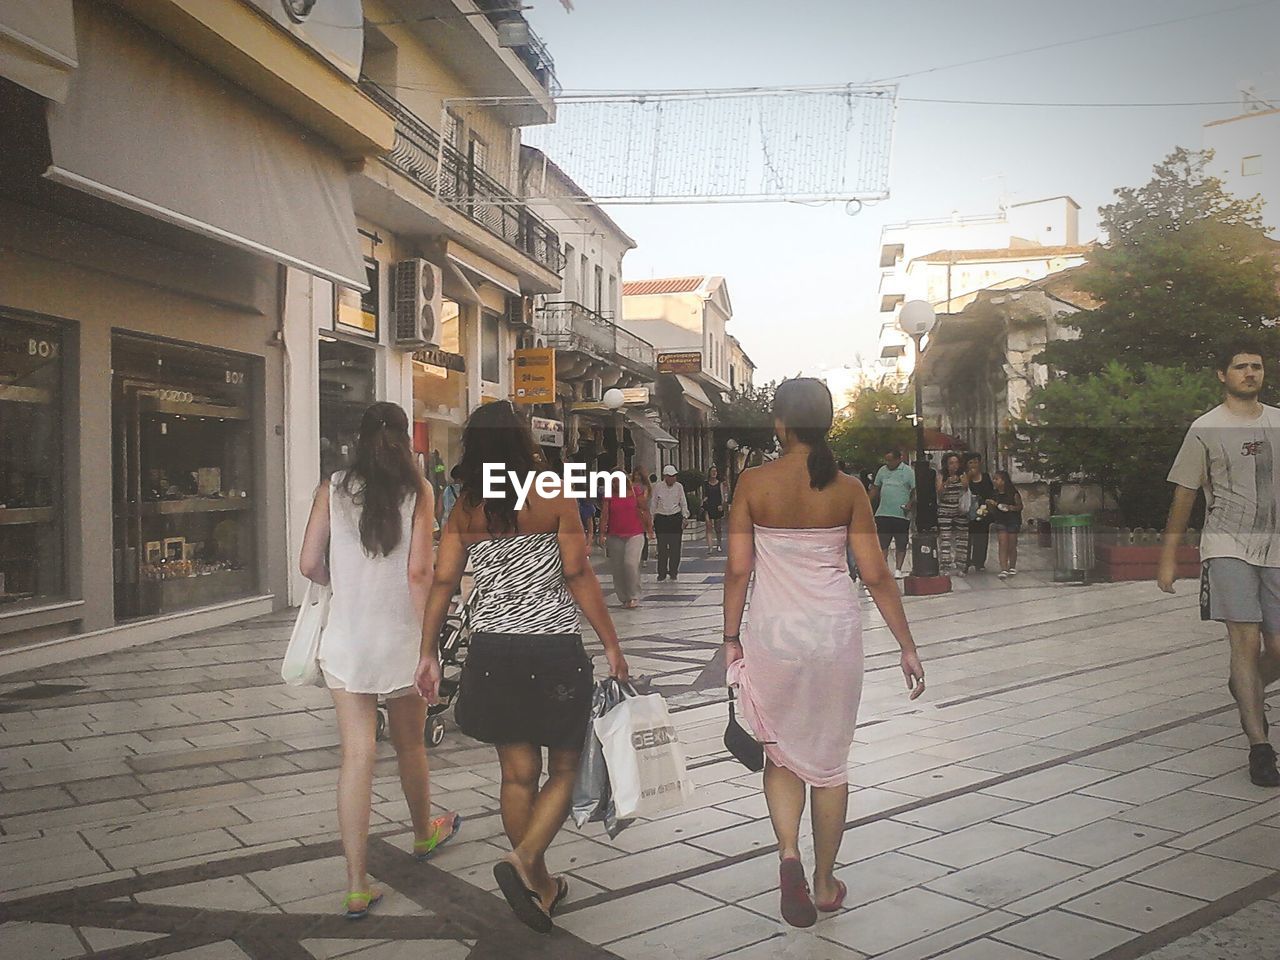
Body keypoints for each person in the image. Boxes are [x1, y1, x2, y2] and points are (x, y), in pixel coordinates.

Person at [414, 401, 629, 931]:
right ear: (522, 441)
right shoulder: (552, 492)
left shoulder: (465, 506)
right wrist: (613, 645)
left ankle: (539, 884)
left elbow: (443, 583)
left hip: (493, 652)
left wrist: (428, 652)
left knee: (516, 775)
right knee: (563, 768)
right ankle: (525, 862)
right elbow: (578, 575)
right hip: (553, 649)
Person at [723, 378, 925, 928]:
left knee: (780, 752)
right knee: (830, 765)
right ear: (827, 423)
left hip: (774, 633)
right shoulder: (850, 488)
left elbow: (740, 568)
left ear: (779, 425)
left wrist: (730, 637)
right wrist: (907, 646)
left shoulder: (753, 482)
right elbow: (877, 573)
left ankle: (788, 853)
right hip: (834, 633)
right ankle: (824, 880)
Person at [298, 402, 460, 919]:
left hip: (346, 641)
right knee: (411, 744)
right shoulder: (420, 492)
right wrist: (429, 647)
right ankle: (421, 832)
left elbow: (307, 563)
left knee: (357, 756)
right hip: (400, 640)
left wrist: (342, 584)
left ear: (359, 439)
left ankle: (354, 883)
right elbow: (419, 575)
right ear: (407, 439)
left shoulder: (334, 487)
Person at [1159, 337, 1280, 787]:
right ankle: (1260, 748)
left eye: (1257, 366)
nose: (1250, 373)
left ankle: (1244, 685)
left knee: (1277, 652)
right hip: (1227, 546)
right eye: (1240, 367)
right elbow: (1184, 494)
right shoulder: (1205, 428)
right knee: (1244, 645)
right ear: (1222, 375)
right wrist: (1168, 559)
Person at [602, 465, 653, 608]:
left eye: (617, 480)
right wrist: (602, 534)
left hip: (635, 533)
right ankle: (623, 597)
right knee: (617, 568)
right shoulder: (609, 494)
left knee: (630, 564)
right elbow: (605, 514)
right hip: (615, 535)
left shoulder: (636, 492)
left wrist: (649, 529)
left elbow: (644, 510)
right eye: (613, 481)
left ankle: (633, 595)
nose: (615, 484)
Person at [871, 448, 915, 579]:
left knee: (901, 543)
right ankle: (884, 569)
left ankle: (898, 569)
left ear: (898, 459)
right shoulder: (882, 471)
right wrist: (866, 502)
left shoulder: (907, 471)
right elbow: (875, 488)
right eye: (887, 460)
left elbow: (914, 490)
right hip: (883, 512)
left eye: (891, 460)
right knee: (883, 542)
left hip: (901, 513)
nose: (888, 463)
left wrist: (910, 504)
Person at [651, 465, 690, 581]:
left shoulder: (679, 487)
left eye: (674, 476)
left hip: (675, 517)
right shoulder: (658, 487)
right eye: (670, 476)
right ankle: (661, 572)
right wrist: (651, 520)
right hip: (661, 519)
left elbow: (683, 502)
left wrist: (685, 516)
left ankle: (673, 571)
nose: (673, 479)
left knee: (675, 547)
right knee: (662, 547)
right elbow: (653, 503)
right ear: (665, 476)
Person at [936, 452, 970, 575]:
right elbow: (939, 492)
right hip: (945, 509)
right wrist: (947, 483)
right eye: (951, 463)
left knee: (962, 538)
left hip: (960, 509)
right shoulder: (941, 475)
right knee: (945, 538)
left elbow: (966, 488)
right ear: (946, 464)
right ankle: (945, 564)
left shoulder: (962, 474)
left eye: (956, 462)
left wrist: (961, 479)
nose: (954, 466)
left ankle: (960, 565)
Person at [988, 470, 1023, 579]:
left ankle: (1012, 566)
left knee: (1012, 544)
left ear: (1004, 481)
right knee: (1003, 544)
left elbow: (1020, 506)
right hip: (1000, 520)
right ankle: (1003, 568)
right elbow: (992, 509)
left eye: (997, 479)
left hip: (1013, 520)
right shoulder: (994, 494)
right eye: (994, 479)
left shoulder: (1013, 493)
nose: (994, 481)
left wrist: (1010, 508)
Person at [964, 453, 996, 573]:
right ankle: (966, 561)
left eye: (976, 462)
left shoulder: (986, 477)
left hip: (983, 511)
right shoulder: (965, 477)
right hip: (969, 511)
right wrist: (968, 477)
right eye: (971, 462)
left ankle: (979, 562)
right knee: (968, 538)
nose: (973, 465)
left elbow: (991, 492)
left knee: (982, 538)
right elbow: (963, 490)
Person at [702, 466, 728, 552]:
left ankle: (719, 544)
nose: (714, 473)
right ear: (709, 473)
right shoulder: (706, 483)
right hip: (708, 507)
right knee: (708, 526)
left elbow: (723, 495)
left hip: (717, 506)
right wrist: (703, 502)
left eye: (715, 471)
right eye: (712, 471)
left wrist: (722, 504)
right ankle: (710, 547)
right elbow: (704, 495)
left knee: (718, 527)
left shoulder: (720, 483)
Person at [436, 466, 462, 533]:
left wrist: (439, 523)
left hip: (446, 523)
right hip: (459, 523)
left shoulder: (445, 489)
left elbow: (439, 510)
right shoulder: (466, 491)